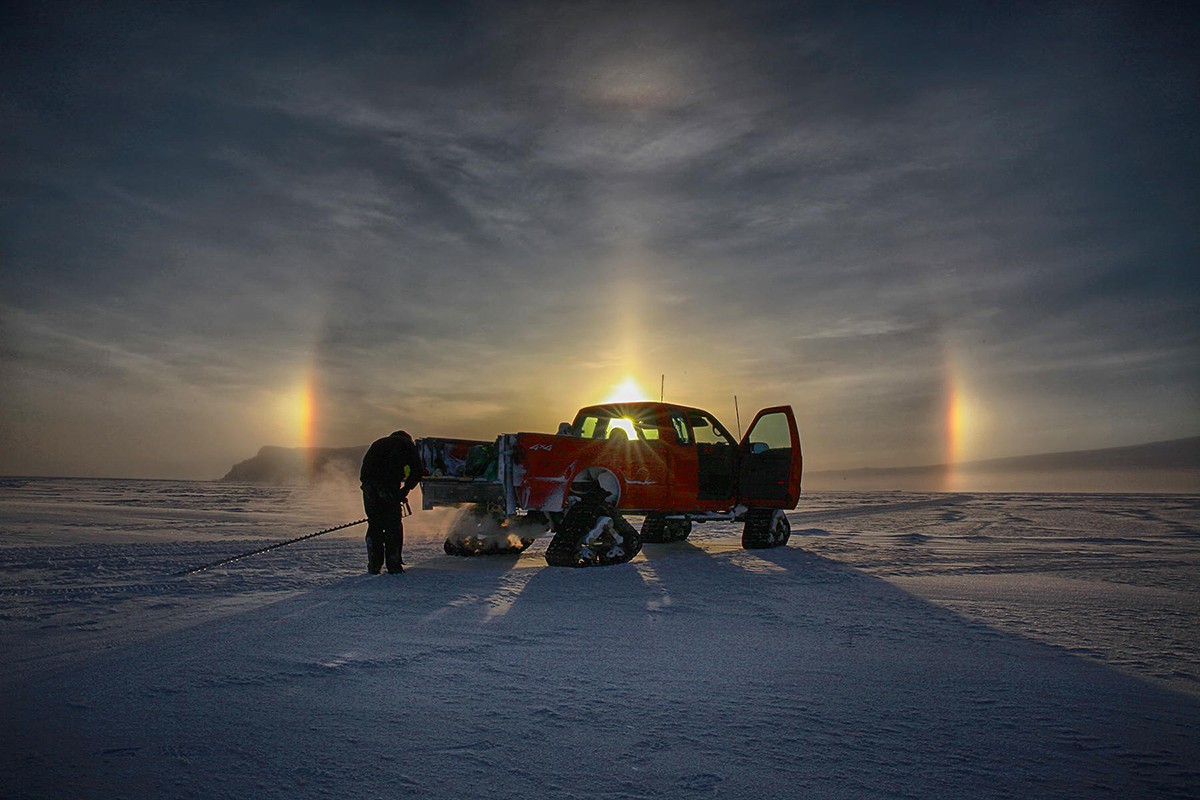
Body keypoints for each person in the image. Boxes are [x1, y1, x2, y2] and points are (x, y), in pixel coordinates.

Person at [359, 430, 424, 574]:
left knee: (374, 525)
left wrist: (370, 489)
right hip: (388, 487)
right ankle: (394, 565)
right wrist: (405, 490)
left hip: (369, 487)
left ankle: (374, 565)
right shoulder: (407, 445)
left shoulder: (378, 443)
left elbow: (365, 469)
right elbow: (417, 471)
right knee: (393, 526)